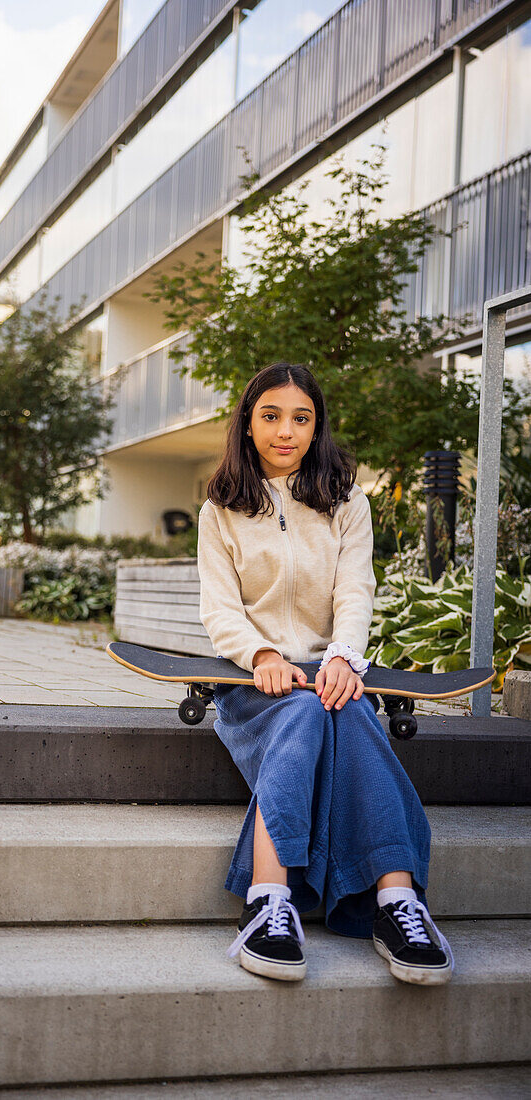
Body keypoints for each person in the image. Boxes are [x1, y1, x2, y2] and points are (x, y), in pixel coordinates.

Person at [197, 362, 453, 985]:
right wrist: (262, 657)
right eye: (272, 416)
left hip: (330, 670)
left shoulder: (346, 504)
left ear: (317, 428)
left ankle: (396, 906)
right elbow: (220, 609)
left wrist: (343, 654)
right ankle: (274, 902)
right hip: (258, 682)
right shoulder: (221, 510)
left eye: (301, 418)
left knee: (347, 706)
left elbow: (354, 591)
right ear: (249, 425)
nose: (286, 431)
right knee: (317, 711)